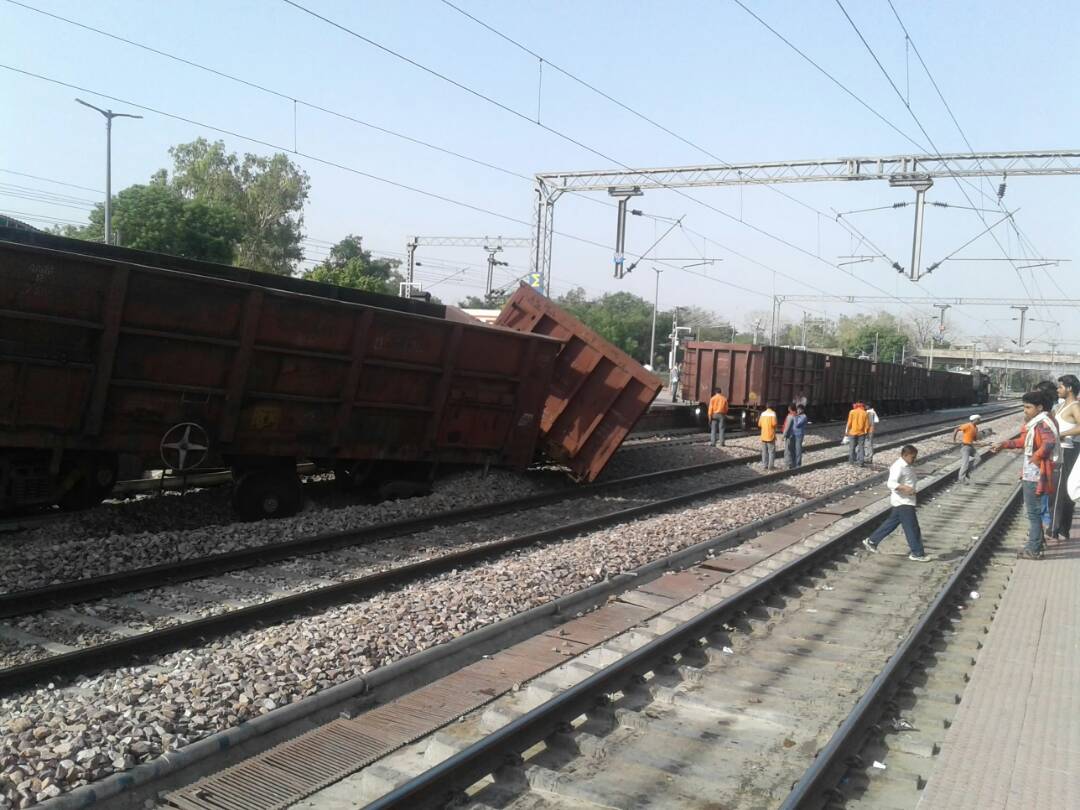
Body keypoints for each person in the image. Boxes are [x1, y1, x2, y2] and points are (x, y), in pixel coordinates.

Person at [992, 391, 1059, 559]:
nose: (1025, 410)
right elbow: (1023, 442)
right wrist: (1005, 444)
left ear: (1039, 407)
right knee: (1035, 511)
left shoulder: (1041, 423)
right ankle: (1036, 543)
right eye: (1024, 406)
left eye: (1028, 407)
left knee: (1033, 513)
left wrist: (1035, 458)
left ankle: (1033, 549)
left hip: (1035, 474)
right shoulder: (1041, 421)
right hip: (1035, 473)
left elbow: (1049, 443)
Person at [862, 444, 930, 562]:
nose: (914, 459)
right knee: (912, 528)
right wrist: (905, 488)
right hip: (903, 501)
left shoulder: (907, 465)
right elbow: (891, 483)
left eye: (915, 457)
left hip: (906, 500)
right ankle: (917, 553)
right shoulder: (898, 466)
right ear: (905, 455)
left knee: (891, 523)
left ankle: (872, 541)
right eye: (913, 457)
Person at [1052, 374, 1080, 540]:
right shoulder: (1061, 406)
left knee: (1063, 491)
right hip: (1059, 450)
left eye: (1060, 387)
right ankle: (1057, 528)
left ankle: (1061, 529)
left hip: (1068, 451)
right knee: (1056, 490)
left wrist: (1063, 434)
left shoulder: (1075, 406)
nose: (1058, 389)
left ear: (1069, 388)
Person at [952, 414, 982, 483]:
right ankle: (961, 479)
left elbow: (974, 438)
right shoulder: (967, 425)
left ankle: (967, 472)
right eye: (978, 419)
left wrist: (979, 442)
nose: (980, 421)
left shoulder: (975, 428)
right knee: (965, 463)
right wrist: (954, 440)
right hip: (965, 447)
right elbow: (956, 429)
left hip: (971, 446)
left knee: (978, 459)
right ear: (975, 420)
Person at [845, 401, 870, 467]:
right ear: (862, 406)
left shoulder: (852, 412)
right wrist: (866, 433)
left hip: (852, 432)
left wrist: (847, 432)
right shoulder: (865, 413)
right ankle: (861, 462)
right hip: (861, 433)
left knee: (852, 447)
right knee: (861, 447)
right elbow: (867, 425)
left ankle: (851, 461)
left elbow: (849, 423)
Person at [758, 403, 778, 470]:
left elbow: (759, 424)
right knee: (771, 451)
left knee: (764, 452)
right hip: (770, 435)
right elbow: (774, 424)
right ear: (772, 407)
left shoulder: (763, 413)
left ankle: (764, 465)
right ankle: (770, 466)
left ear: (766, 407)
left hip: (763, 435)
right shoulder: (773, 413)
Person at [782, 404, 798, 468]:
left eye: (788, 408)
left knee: (787, 451)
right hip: (795, 435)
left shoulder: (790, 416)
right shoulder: (797, 416)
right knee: (793, 450)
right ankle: (794, 464)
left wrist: (783, 435)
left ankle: (788, 465)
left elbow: (787, 427)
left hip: (790, 436)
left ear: (790, 409)